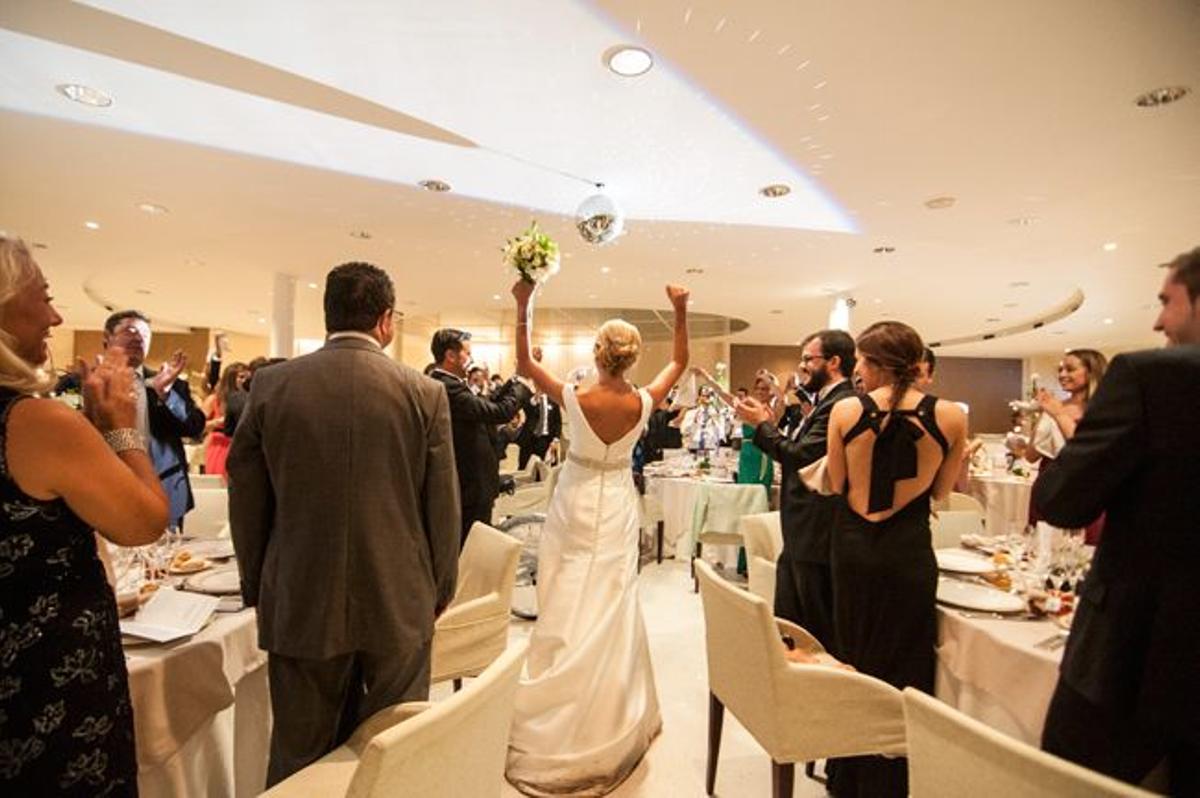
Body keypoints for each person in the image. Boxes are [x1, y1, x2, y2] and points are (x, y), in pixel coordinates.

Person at [227, 262, 460, 785]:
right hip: (399, 596)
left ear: (328, 314)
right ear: (385, 320)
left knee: (298, 753)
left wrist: (258, 584)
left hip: (300, 595)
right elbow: (443, 507)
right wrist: (440, 588)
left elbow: (246, 499)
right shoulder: (424, 393)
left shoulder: (271, 385)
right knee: (392, 751)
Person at [506, 280, 690, 796]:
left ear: (597, 353)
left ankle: (559, 690)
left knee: (565, 589)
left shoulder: (573, 395)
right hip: (616, 504)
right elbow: (679, 361)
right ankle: (610, 705)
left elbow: (522, 363)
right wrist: (680, 310)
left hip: (577, 495)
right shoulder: (646, 400)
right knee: (611, 594)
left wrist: (524, 302)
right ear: (632, 359)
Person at [0, 237, 168, 796]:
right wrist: (119, 424)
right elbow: (142, 522)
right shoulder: (37, 422)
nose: (54, 314)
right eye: (42, 296)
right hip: (45, 682)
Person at [1036, 248, 1200, 795]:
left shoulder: (1151, 376)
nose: (1157, 321)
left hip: (1138, 653)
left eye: (1166, 302)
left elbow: (1062, 502)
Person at [823, 321, 966, 797]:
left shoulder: (845, 410)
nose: (857, 370)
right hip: (908, 553)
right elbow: (944, 492)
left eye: (862, 361)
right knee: (905, 663)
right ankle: (897, 780)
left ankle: (848, 776)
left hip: (853, 549)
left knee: (852, 658)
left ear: (880, 364)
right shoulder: (951, 416)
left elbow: (837, 486)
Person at [734, 330, 857, 649]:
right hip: (803, 527)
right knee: (791, 620)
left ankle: (809, 687)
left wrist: (761, 425)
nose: (801, 367)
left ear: (833, 362)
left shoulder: (841, 404)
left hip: (816, 527)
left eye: (808, 359)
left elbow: (800, 456)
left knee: (810, 628)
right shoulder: (825, 401)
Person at [102, 310, 206, 530]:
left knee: (163, 560)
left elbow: (194, 427)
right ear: (107, 338)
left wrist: (165, 394)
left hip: (163, 489)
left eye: (144, 334)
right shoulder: (84, 382)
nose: (138, 337)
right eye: (130, 331)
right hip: (103, 489)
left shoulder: (168, 383)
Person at [428, 328, 531, 543]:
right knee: (471, 547)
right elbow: (497, 412)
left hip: (477, 485)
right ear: (451, 356)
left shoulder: (454, 384)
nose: (471, 358)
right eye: (467, 352)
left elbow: (487, 402)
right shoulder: (446, 387)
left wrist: (513, 380)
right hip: (469, 486)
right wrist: (522, 387)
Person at [1012, 349, 1108, 543]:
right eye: (1060, 369)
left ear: (1091, 372)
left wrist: (1058, 415)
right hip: (1048, 484)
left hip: (1083, 488)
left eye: (1070, 369)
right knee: (1040, 549)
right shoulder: (1056, 406)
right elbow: (1031, 456)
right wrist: (1040, 420)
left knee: (1078, 554)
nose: (1062, 374)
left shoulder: (1103, 410)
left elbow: (1086, 452)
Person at [201, 361, 248, 479]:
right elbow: (198, 425)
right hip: (219, 446)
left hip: (238, 446)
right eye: (241, 377)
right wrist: (217, 422)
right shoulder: (214, 399)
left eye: (246, 378)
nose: (244, 381)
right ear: (231, 378)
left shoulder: (247, 399)